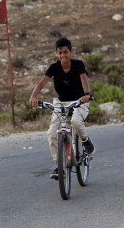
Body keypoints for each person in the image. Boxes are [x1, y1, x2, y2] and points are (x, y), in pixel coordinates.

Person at [29, 37, 95, 179]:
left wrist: (86, 95)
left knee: (76, 122)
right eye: (60, 53)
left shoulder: (78, 65)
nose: (63, 55)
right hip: (61, 103)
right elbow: (41, 84)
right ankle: (60, 166)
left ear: (70, 52)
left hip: (79, 100)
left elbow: (84, 81)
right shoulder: (54, 68)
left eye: (65, 52)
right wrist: (33, 96)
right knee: (52, 133)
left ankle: (85, 140)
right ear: (56, 54)